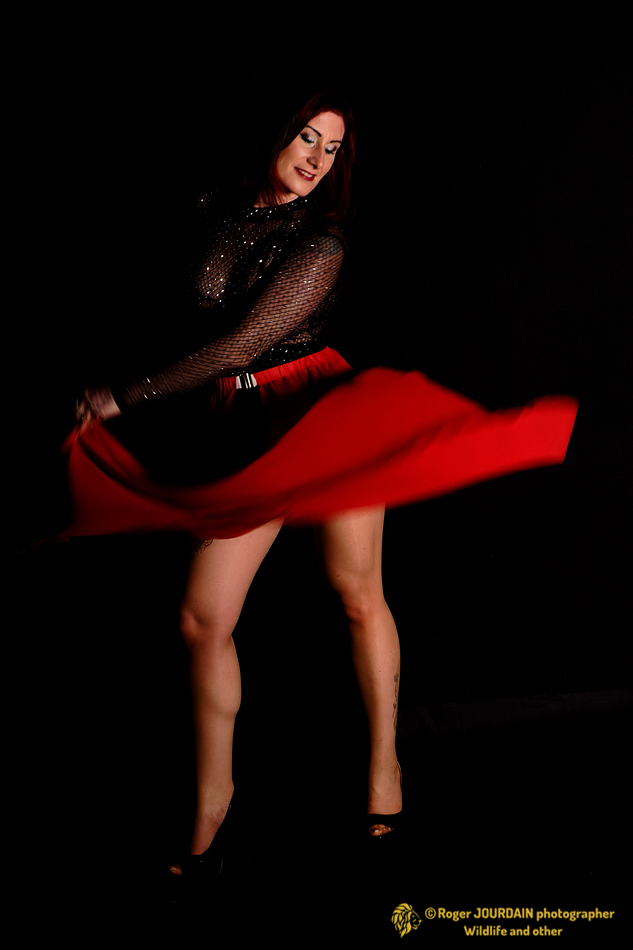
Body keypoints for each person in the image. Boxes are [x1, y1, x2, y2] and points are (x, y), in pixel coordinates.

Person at [65, 85, 578, 879]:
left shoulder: (319, 244)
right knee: (201, 621)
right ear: (275, 132)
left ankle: (384, 771)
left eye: (331, 149)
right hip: (235, 422)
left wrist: (118, 396)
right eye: (307, 137)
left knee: (357, 593)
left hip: (315, 412)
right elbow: (188, 323)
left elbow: (242, 343)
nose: (316, 160)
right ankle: (212, 804)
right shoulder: (208, 210)